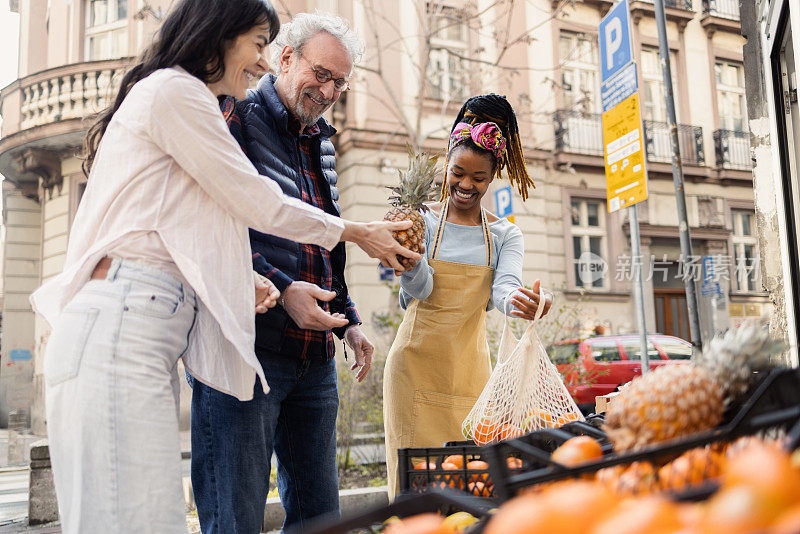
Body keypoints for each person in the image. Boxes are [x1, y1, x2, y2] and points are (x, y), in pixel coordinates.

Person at [28, 1, 418, 532]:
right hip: (137, 322)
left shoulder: (195, 101)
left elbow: (198, 229)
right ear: (225, 34)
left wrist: (260, 283)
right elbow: (253, 201)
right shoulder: (190, 97)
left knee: (140, 519)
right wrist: (355, 235)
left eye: (340, 84)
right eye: (259, 44)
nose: (258, 62)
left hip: (150, 322)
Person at [189, 12, 371, 533]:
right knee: (235, 518)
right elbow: (209, 224)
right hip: (247, 350)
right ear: (285, 58)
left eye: (340, 81)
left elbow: (323, 238)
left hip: (314, 358)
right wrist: (286, 289)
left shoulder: (323, 140)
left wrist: (349, 316)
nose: (328, 89)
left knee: (320, 520)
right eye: (321, 73)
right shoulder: (236, 115)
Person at [383, 94, 554, 498]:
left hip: (471, 378)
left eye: (478, 178)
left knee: (472, 489)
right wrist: (410, 265)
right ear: (447, 164)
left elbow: (502, 292)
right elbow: (421, 290)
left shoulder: (505, 235)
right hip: (413, 369)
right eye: (457, 172)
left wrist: (525, 303)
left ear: (493, 176)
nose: (465, 185)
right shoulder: (419, 219)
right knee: (413, 492)